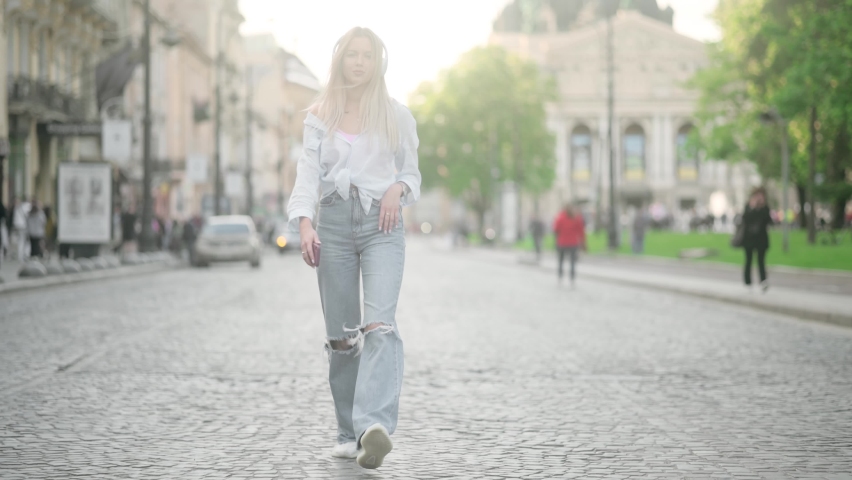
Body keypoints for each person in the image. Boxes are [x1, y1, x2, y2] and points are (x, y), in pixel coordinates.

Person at [287, 27, 421, 469]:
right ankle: (348, 431)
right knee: (342, 338)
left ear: (377, 62)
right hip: (335, 226)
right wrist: (305, 224)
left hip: (382, 224)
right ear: (341, 60)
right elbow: (308, 173)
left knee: (380, 325)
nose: (360, 62)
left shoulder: (397, 115)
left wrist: (396, 188)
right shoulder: (319, 115)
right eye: (352, 55)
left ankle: (372, 429)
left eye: (367, 55)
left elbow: (413, 175)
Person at [742, 186, 773, 292]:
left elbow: (768, 222)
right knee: (748, 260)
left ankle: (763, 281)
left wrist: (762, 207)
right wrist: (752, 207)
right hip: (749, 239)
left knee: (761, 261)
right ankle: (748, 283)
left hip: (761, 239)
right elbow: (745, 219)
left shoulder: (765, 208)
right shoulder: (748, 206)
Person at [553, 204, 586, 287]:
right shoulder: (576, 218)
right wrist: (583, 243)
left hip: (562, 242)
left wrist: (556, 240)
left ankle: (560, 277)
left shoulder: (560, 217)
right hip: (573, 243)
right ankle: (572, 279)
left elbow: (556, 229)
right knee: (572, 262)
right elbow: (581, 231)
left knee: (561, 261)